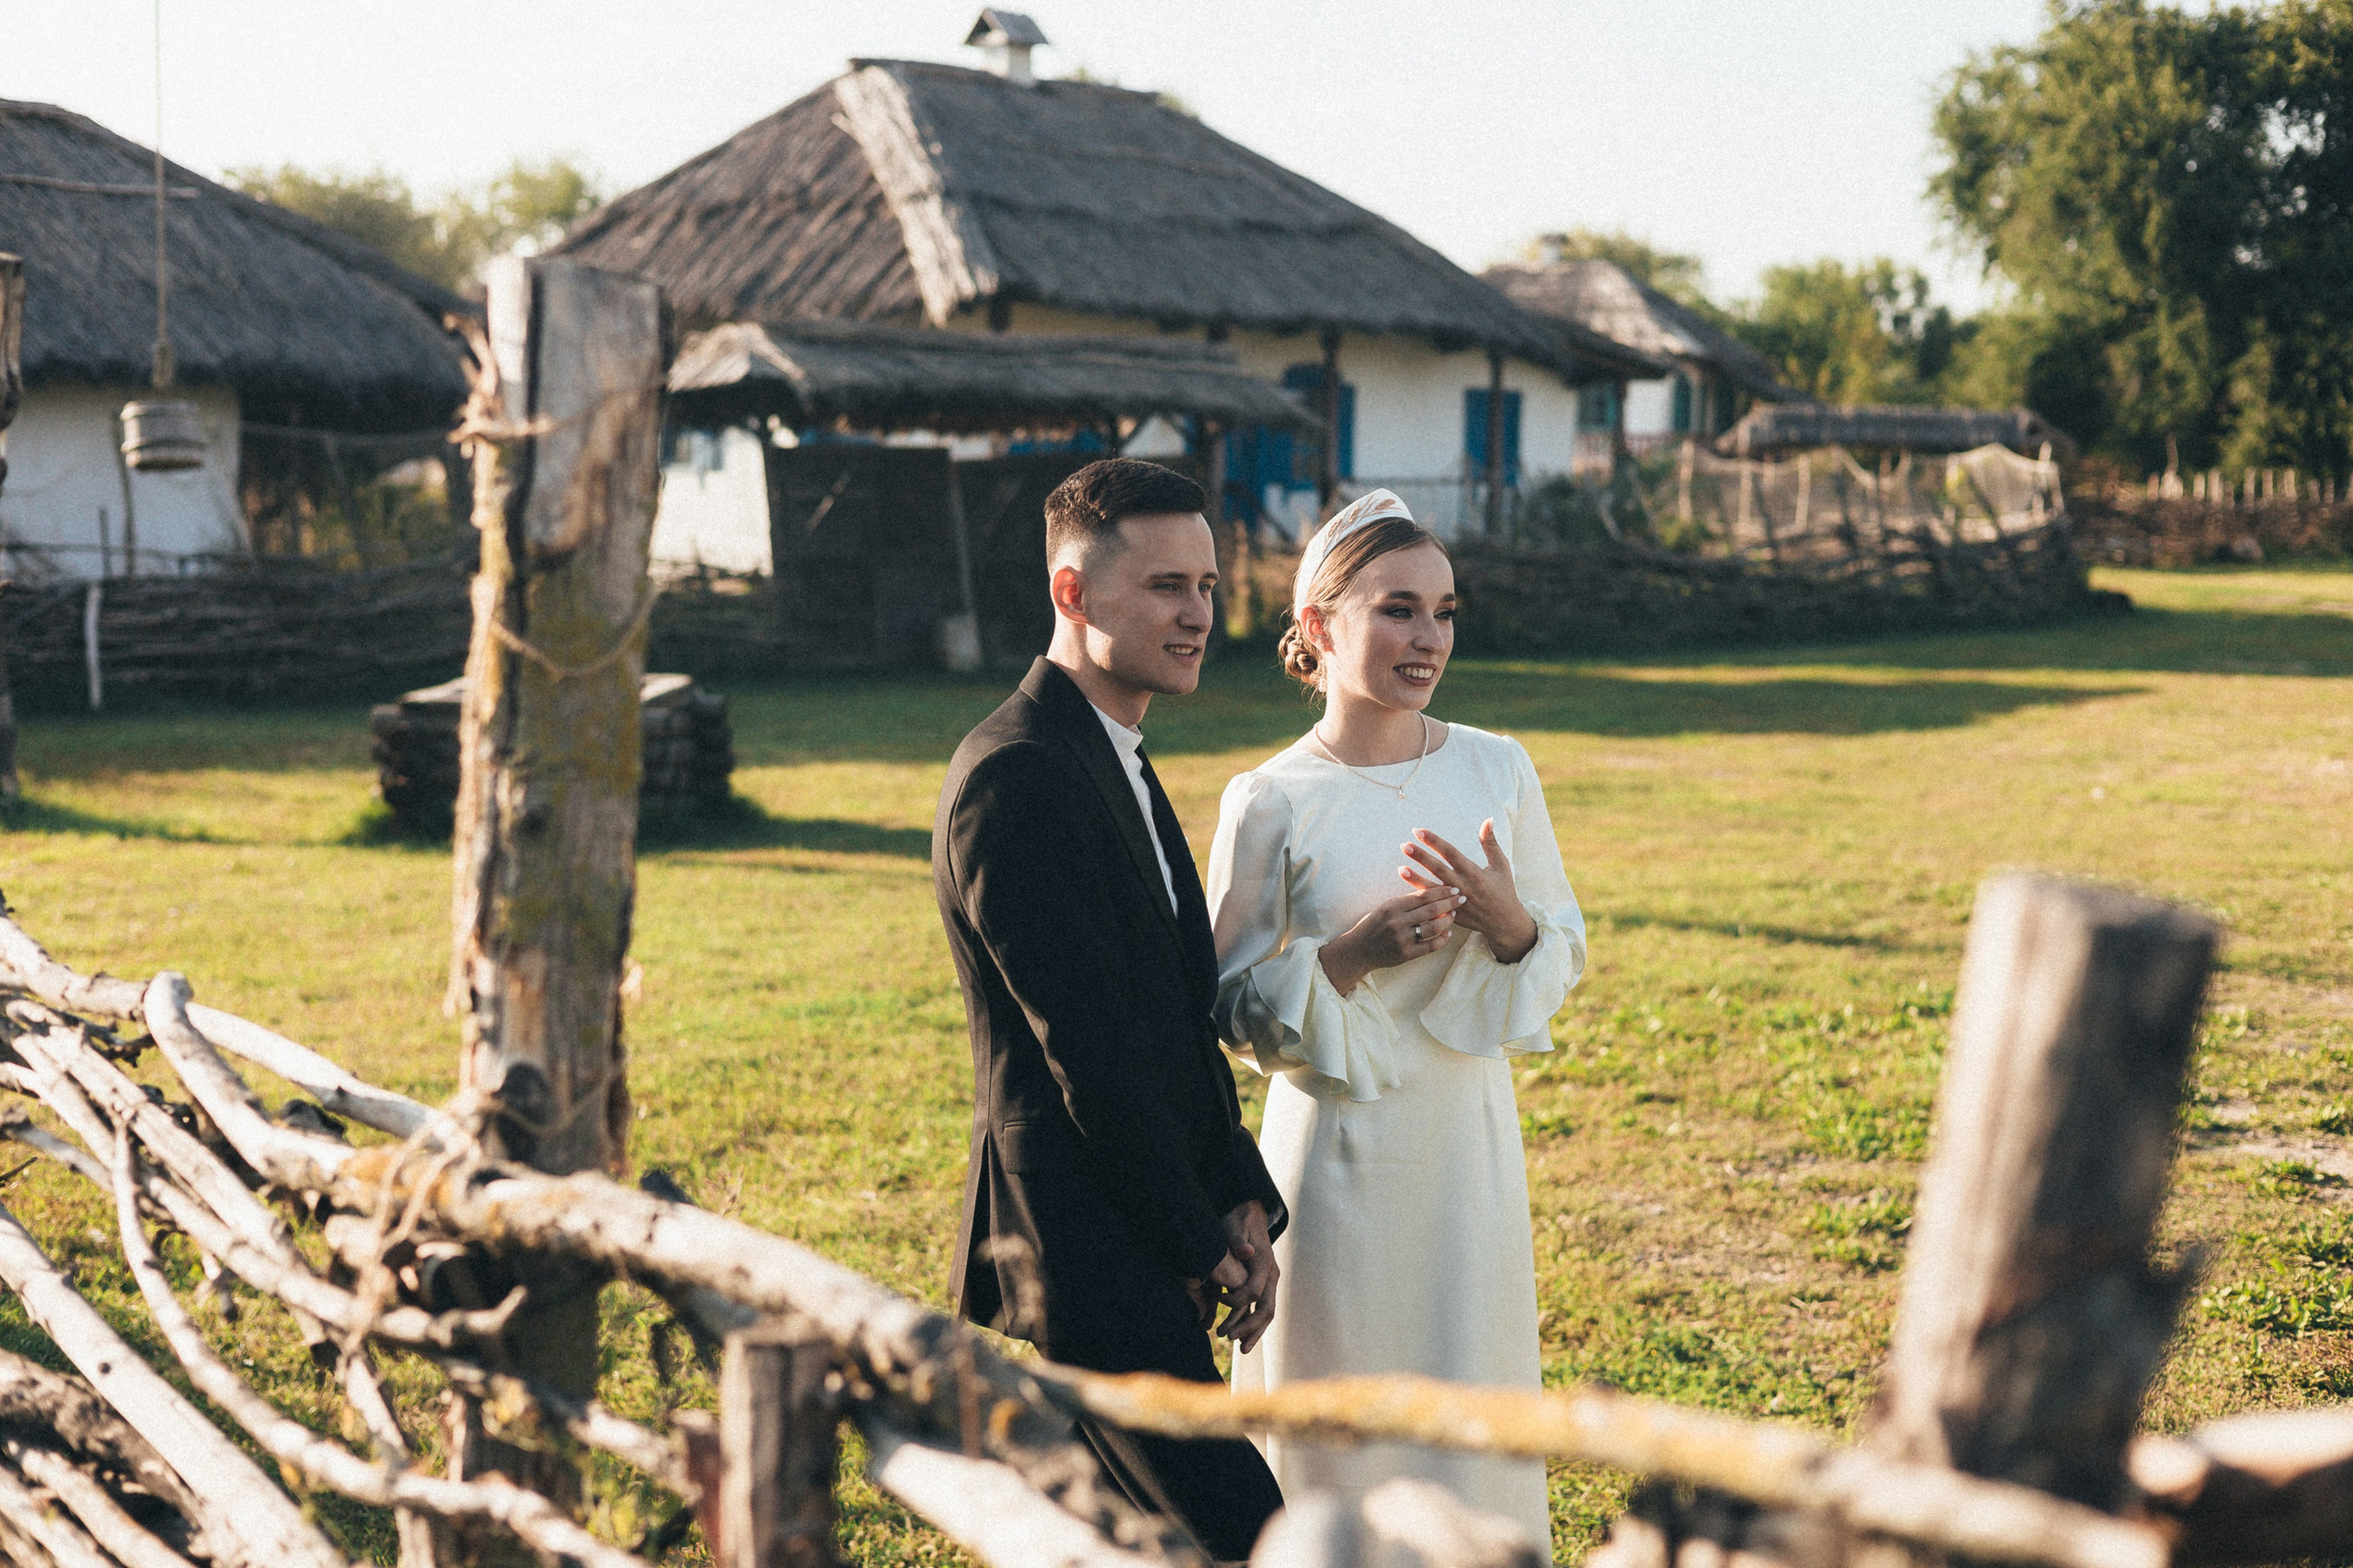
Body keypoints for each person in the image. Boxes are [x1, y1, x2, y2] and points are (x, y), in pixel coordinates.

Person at [1206, 488, 1586, 1554]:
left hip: (1464, 1142)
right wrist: (1348, 955)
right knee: (1342, 1399)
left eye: (1444, 611)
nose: (1430, 638)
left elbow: (1560, 947)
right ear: (1319, 626)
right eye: (1398, 609)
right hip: (1336, 1156)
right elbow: (1223, 1002)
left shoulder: (1496, 766)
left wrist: (1511, 924)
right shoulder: (1270, 797)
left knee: (1469, 1376)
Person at [933, 458, 1290, 1563]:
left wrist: (1237, 1192)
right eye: (1166, 586)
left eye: (1207, 585)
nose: (1198, 614)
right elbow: (1087, 1053)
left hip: (1148, 1217)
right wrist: (1197, 1234)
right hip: (1084, 1242)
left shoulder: (1109, 755)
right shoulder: (1017, 776)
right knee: (1256, 1538)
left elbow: (1171, 1020)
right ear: (1072, 592)